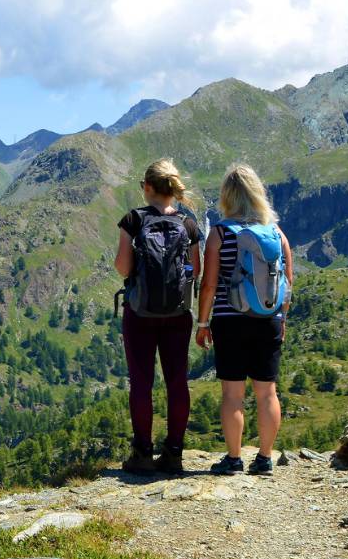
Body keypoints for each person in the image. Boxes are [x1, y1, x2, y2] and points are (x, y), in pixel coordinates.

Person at [195, 163, 293, 476]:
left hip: (230, 320)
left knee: (232, 394)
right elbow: (287, 283)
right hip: (268, 318)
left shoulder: (220, 234)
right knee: (267, 392)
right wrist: (281, 318)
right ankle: (264, 458)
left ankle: (234, 458)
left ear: (227, 196)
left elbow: (209, 284)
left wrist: (202, 323)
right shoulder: (276, 233)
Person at [114, 159, 201, 474]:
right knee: (177, 382)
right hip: (178, 314)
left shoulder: (133, 220)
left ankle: (142, 454)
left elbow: (123, 268)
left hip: (140, 313)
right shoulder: (188, 223)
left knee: (141, 383)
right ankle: (174, 453)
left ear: (147, 188)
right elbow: (196, 271)